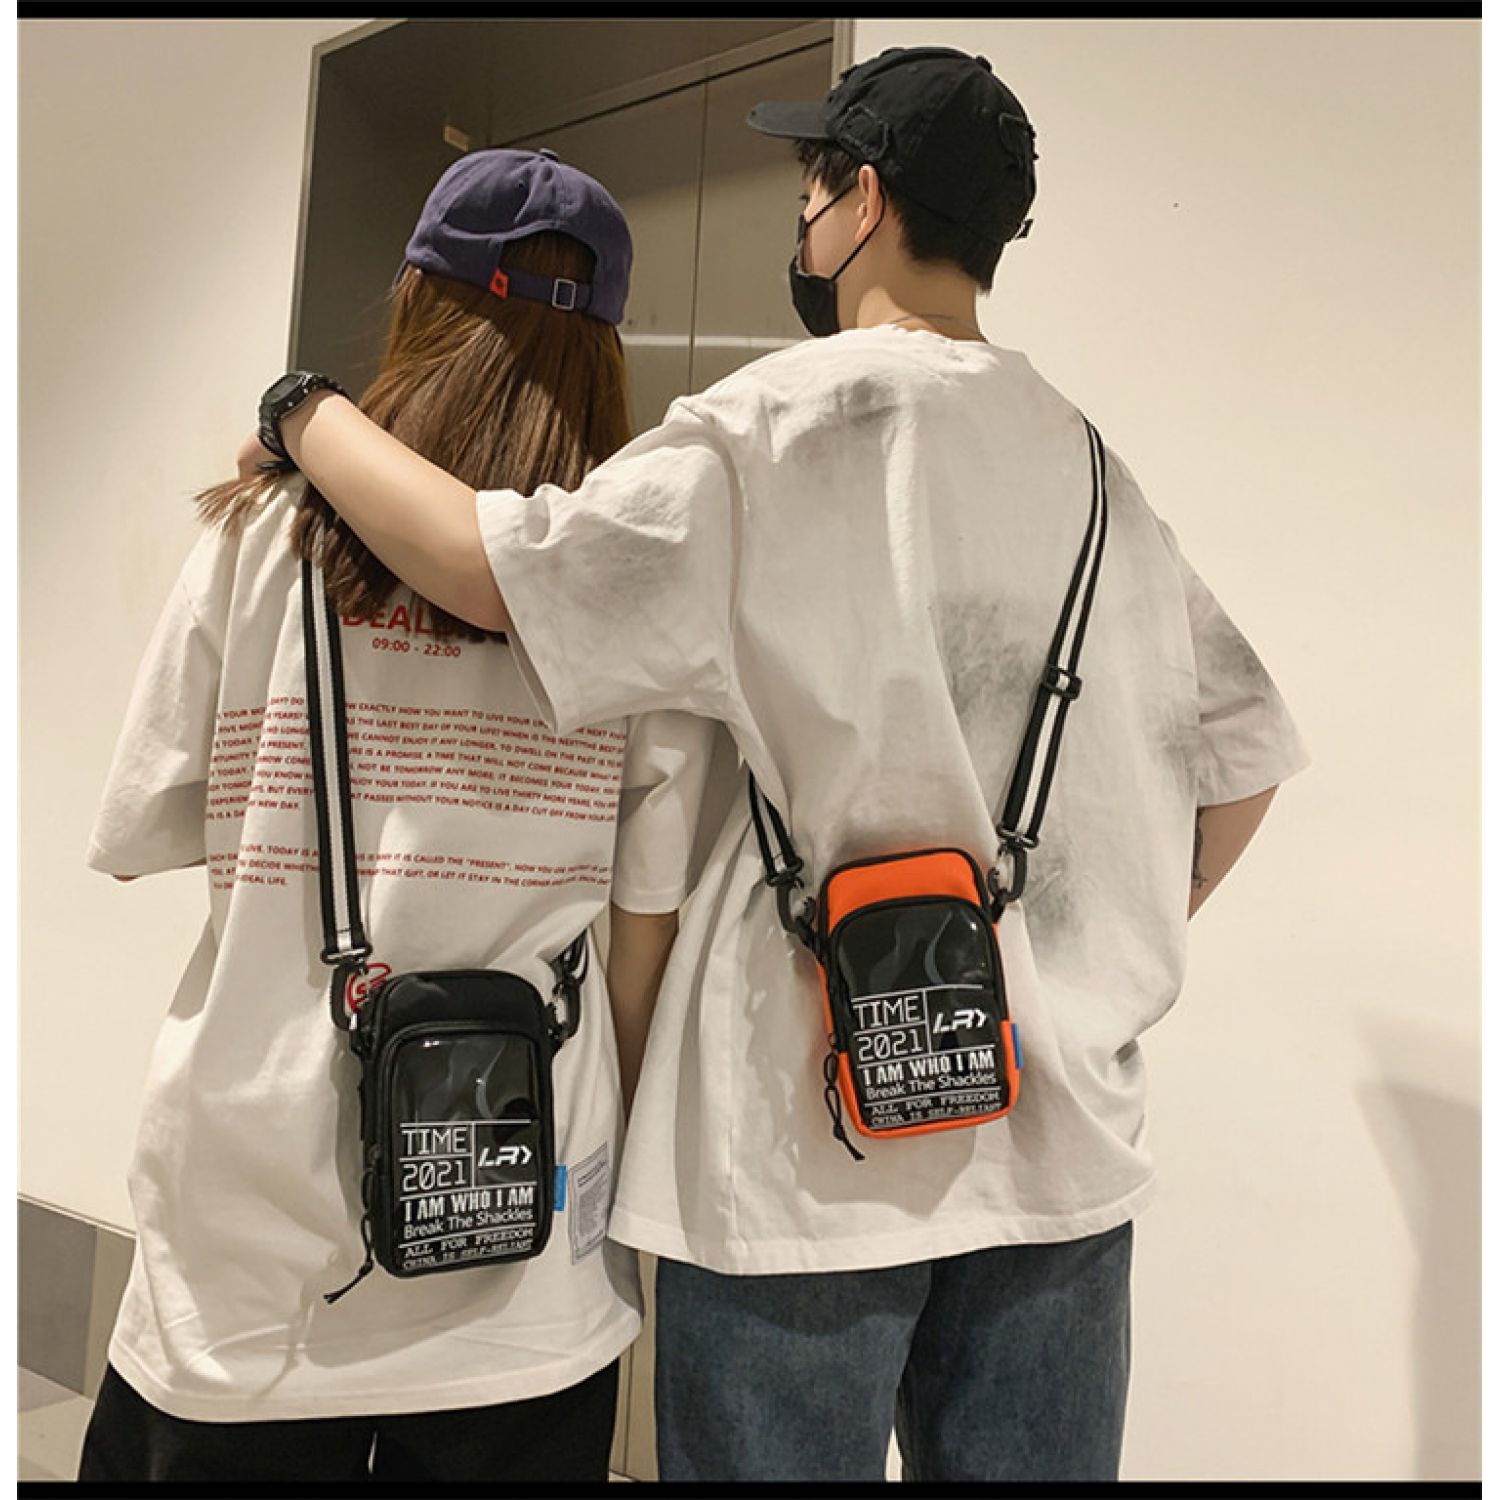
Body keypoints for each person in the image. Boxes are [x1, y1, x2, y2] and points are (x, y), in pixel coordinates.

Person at [233, 47, 1311, 1483]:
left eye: (812, 184)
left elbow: (495, 569)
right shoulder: (1097, 472)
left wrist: (305, 414)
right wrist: (1082, 956)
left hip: (796, 1172)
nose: (802, 216)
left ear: (863, 202)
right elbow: (1244, 758)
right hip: (1060, 1159)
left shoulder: (770, 433)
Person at [78, 147, 712, 1483]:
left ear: (417, 304)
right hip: (521, 1262)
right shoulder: (636, 592)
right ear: (605, 347)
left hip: (251, 1250)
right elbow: (645, 941)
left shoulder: (259, 539)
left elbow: (148, 823)